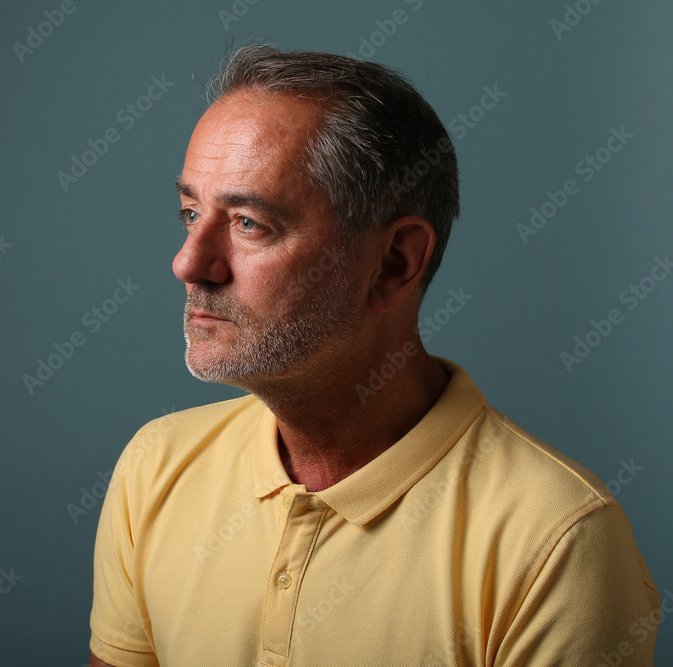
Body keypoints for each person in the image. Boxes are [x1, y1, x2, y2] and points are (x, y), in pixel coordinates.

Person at [88, 44, 661, 666]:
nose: (188, 263)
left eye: (249, 222)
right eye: (190, 213)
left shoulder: (558, 542)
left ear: (393, 263)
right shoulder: (155, 468)